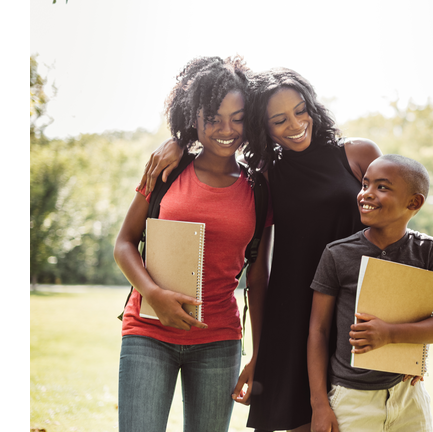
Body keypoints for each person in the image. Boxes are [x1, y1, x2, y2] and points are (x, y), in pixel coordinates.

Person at [139, 67, 382, 432]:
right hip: (295, 315)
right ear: (263, 127)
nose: (296, 124)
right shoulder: (265, 176)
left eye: (300, 110)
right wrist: (176, 142)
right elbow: (259, 269)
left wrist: (405, 332)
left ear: (312, 107)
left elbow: (393, 236)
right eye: (279, 120)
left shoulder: (359, 154)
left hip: (355, 307)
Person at [113, 56, 273, 432]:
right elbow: (124, 243)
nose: (226, 129)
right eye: (213, 118)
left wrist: (259, 354)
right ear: (192, 117)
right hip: (148, 332)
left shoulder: (259, 188)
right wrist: (152, 293)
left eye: (237, 118)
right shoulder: (168, 169)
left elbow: (259, 279)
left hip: (218, 341)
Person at [307, 154, 433, 432]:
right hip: (353, 399)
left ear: (414, 203)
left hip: (408, 394)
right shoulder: (337, 254)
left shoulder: (428, 251)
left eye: (382, 187)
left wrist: (390, 334)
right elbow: (318, 332)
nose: (366, 194)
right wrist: (319, 404)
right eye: (365, 184)